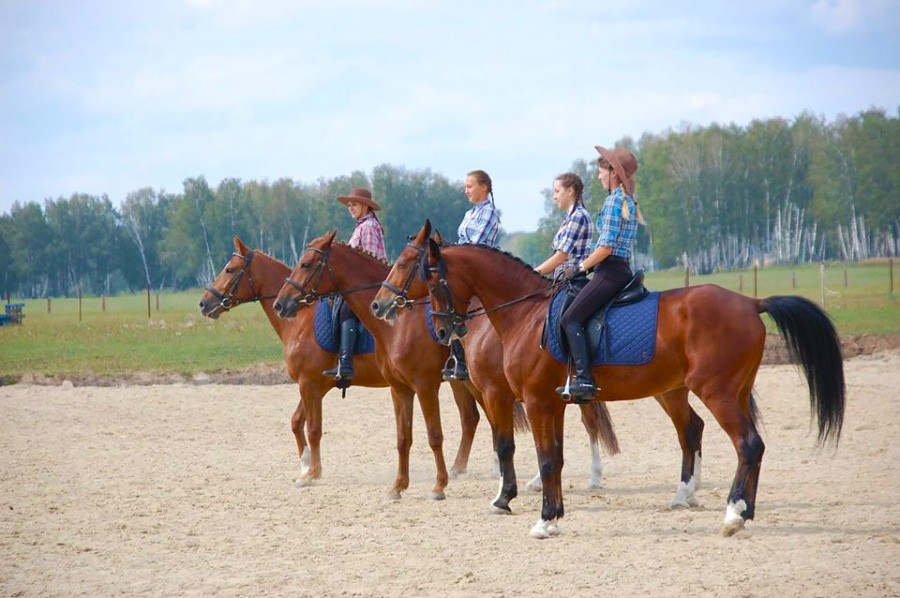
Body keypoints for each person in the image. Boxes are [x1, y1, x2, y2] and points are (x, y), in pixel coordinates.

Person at [557, 146, 644, 402]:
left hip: (610, 272)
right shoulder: (626, 200)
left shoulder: (614, 201)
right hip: (616, 269)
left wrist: (580, 267)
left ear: (614, 173)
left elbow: (605, 247)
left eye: (600, 172)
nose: (598, 177)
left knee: (570, 318)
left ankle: (584, 379)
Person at [323, 187, 387, 384]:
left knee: (346, 312)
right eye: (349, 205)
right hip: (362, 284)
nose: (350, 208)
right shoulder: (362, 226)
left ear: (365, 206)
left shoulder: (368, 227)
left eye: (354, 204)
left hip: (368, 285)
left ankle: (345, 364)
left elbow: (368, 261)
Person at [443, 169, 501, 381]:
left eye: (469, 186)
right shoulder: (470, 214)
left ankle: (461, 360)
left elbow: (474, 247)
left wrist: (452, 254)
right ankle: (454, 355)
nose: (466, 190)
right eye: (465, 187)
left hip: (481, 269)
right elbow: (462, 244)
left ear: (483, 187)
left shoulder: (489, 213)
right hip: (466, 267)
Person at [532, 172, 594, 279]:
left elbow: (560, 257)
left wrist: (531, 274)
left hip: (570, 280)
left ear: (570, 191)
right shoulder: (570, 217)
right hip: (561, 280)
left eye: (557, 191)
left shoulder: (578, 216)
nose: (554, 197)